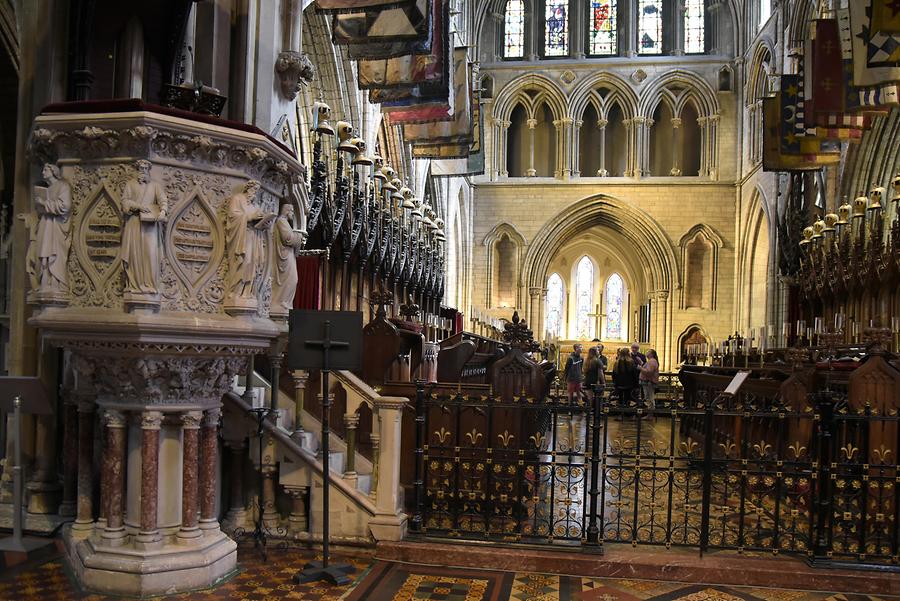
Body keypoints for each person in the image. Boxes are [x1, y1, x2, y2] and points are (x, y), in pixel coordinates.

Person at [121, 160, 168, 295]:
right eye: (141, 168)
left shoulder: (155, 186)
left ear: (149, 170)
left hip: (150, 226)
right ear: (137, 170)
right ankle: (135, 284)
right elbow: (124, 201)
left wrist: (163, 212)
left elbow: (163, 201)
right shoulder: (130, 185)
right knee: (134, 254)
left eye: (146, 169)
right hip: (134, 224)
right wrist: (138, 206)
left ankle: (150, 284)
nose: (143, 171)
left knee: (150, 253)